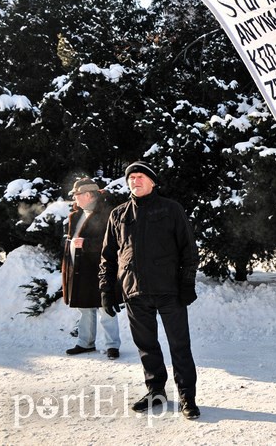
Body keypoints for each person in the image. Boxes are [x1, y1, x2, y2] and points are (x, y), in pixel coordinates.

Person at [99, 161, 201, 419]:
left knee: (180, 346)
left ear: (153, 182)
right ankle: (156, 391)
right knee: (146, 346)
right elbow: (108, 257)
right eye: (131, 177)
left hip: (170, 291)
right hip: (134, 291)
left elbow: (189, 249)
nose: (135, 181)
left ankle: (187, 397)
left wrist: (187, 283)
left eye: (140, 176)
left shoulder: (171, 209)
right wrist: (106, 290)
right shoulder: (118, 214)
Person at [62, 178, 121, 359]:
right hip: (80, 269)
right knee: (84, 306)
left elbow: (113, 243)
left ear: (88, 195)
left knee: (106, 306)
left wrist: (86, 244)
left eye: (77, 195)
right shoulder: (75, 215)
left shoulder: (107, 214)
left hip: (101, 268)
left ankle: (112, 345)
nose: (74, 199)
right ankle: (85, 343)